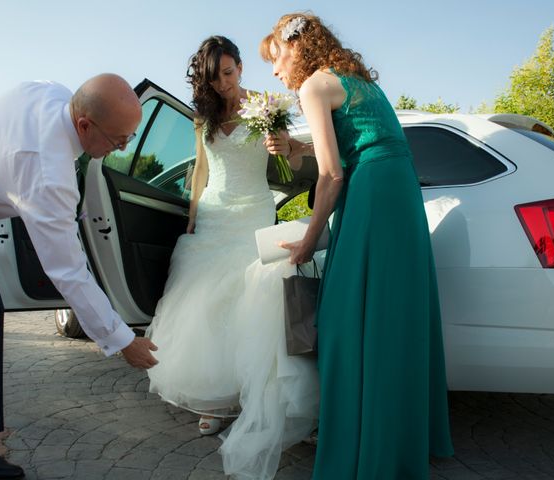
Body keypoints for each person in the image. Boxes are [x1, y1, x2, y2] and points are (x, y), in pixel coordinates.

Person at [0, 73, 159, 480]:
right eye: (119, 139)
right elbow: (69, 271)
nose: (122, 147)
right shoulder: (47, 171)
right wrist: (122, 339)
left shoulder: (53, 93)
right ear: (85, 125)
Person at [261, 13, 454, 479]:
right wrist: (297, 149)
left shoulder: (313, 86)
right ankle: (398, 440)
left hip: (372, 195)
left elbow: (333, 174)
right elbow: (359, 141)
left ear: (297, 50)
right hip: (396, 190)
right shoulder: (355, 81)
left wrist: (308, 240)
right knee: (391, 318)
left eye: (276, 57)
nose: (274, 70)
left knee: (347, 319)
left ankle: (363, 450)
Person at [146, 36, 319, 480]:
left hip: (253, 212)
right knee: (206, 302)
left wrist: (281, 145)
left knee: (251, 302)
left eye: (228, 73)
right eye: (214, 77)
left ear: (240, 67)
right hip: (215, 213)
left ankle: (252, 395)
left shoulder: (266, 105)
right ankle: (214, 398)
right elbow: (201, 168)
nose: (223, 83)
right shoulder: (203, 114)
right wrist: (191, 215)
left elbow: (284, 158)